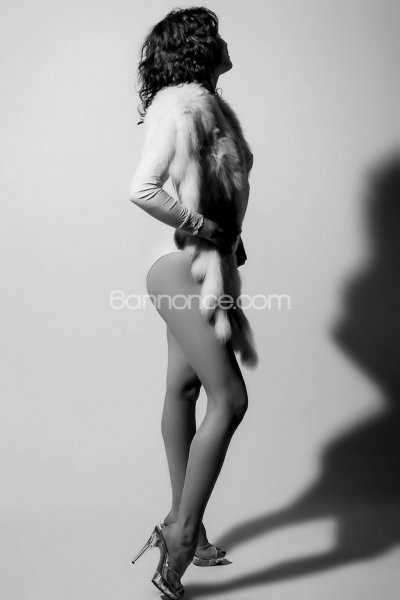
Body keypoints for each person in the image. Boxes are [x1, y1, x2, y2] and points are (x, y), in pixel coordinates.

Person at [129, 7, 257, 599]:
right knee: (230, 398)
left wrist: (229, 239)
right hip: (181, 268)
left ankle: (190, 524)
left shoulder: (210, 109)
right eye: (217, 36)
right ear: (200, 48)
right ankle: (178, 537)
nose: (227, 43)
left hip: (202, 268)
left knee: (184, 391)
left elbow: (213, 189)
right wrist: (206, 228)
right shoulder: (180, 107)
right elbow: (143, 189)